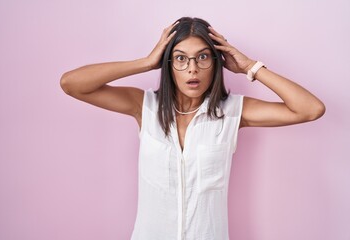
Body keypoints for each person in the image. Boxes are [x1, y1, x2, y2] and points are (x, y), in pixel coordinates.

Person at [60, 17, 325, 240]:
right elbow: (71, 84)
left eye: (202, 57)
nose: (192, 69)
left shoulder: (232, 111)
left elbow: (310, 109)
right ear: (168, 64)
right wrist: (146, 62)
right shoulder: (145, 106)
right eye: (180, 58)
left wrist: (249, 67)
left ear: (216, 62)